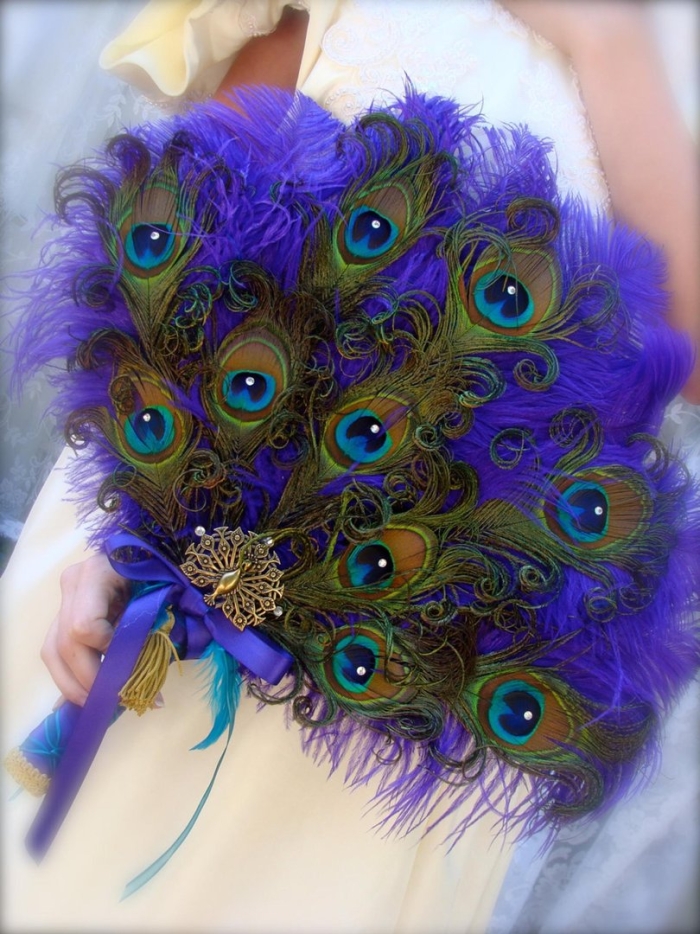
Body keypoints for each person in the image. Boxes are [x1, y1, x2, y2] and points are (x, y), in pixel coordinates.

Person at [2, 2, 698, 932]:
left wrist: (608, 41)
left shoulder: (657, 61)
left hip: (406, 679)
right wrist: (117, 537)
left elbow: (691, 352)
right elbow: (182, 252)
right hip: (157, 552)